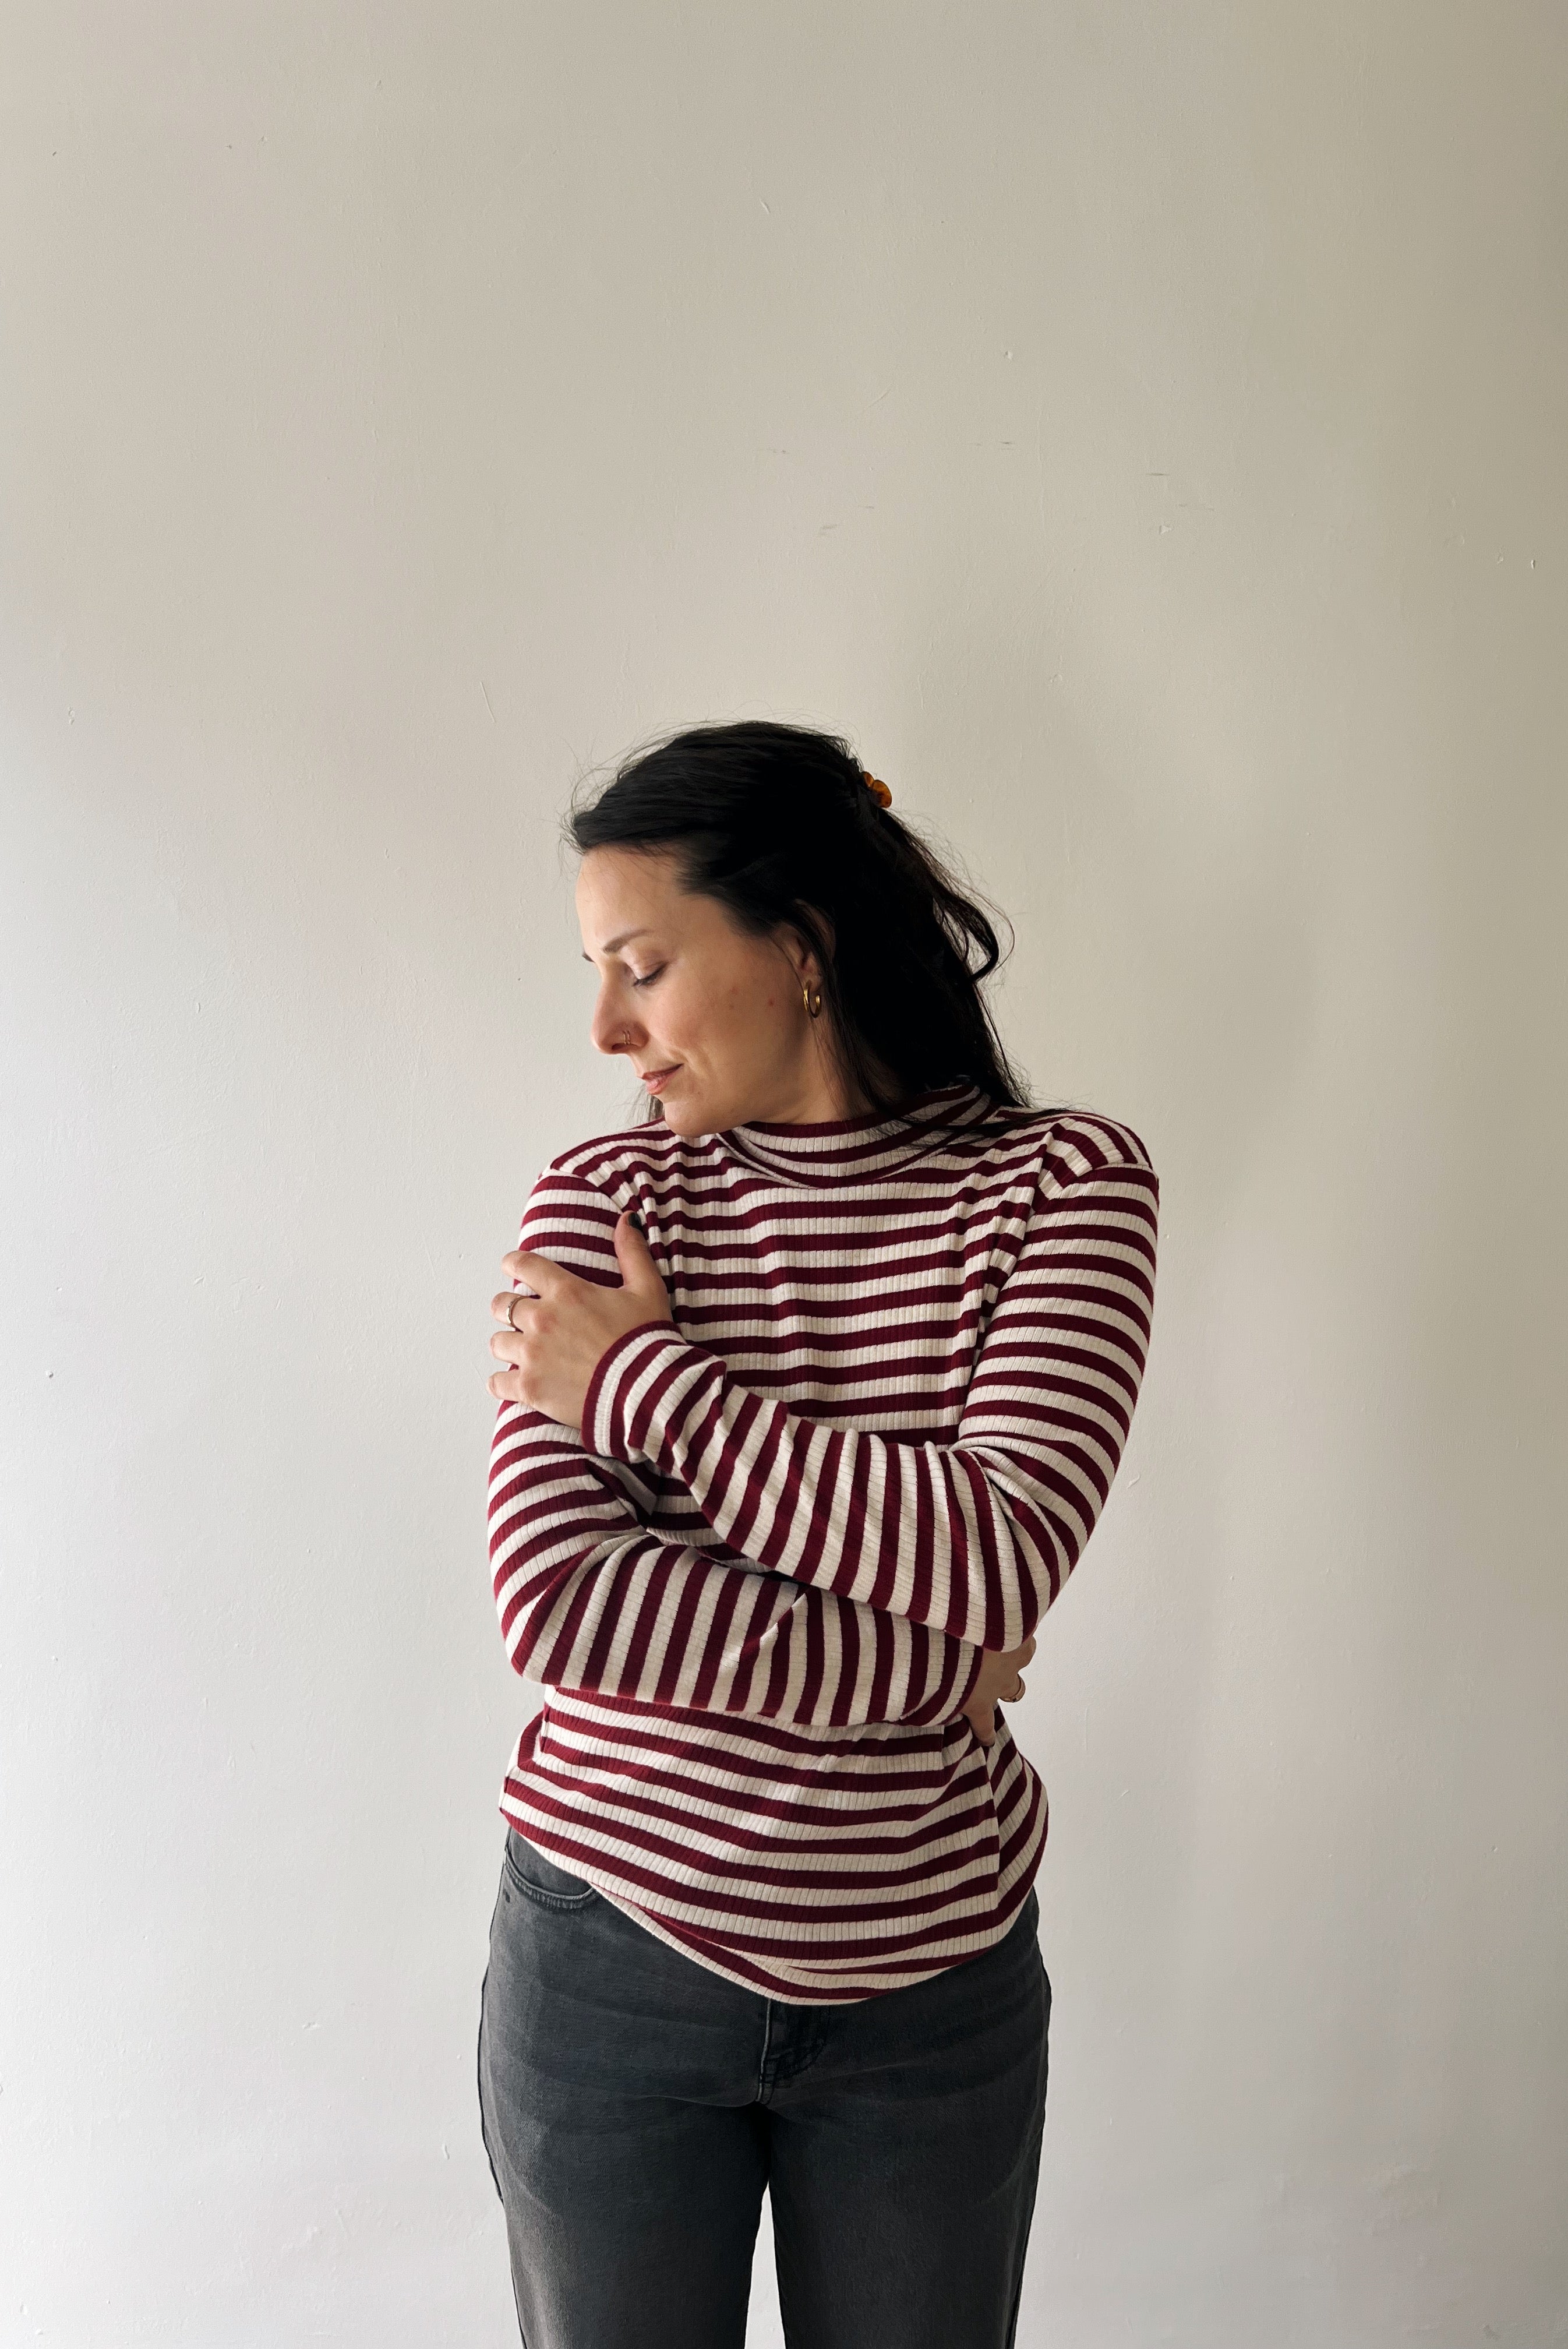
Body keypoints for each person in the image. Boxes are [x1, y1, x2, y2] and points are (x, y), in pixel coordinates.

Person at [477, 719, 1159, 2349]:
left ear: (799, 946)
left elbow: (997, 1556)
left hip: (931, 1990)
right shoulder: (600, 1205)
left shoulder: (1062, 1187)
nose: (604, 1029)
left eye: (640, 965)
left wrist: (645, 1383)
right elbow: (558, 1606)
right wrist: (930, 1658)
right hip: (607, 1964)